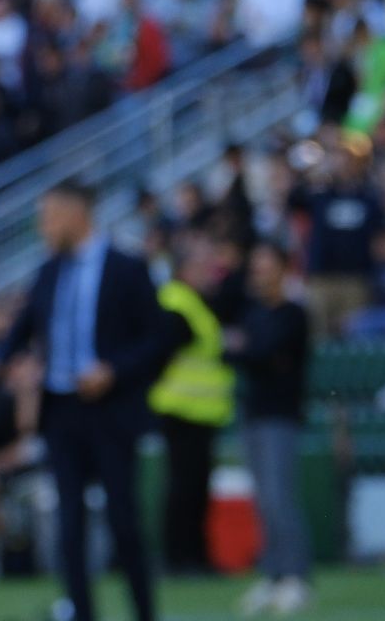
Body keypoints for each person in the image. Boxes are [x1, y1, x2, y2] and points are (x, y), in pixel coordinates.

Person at [0, 181, 168, 621]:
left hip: (110, 411)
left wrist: (113, 371)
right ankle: (81, 611)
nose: (44, 227)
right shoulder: (50, 269)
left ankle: (144, 611)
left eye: (49, 216)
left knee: (123, 520)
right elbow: (24, 327)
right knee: (68, 524)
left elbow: (155, 340)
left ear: (77, 214)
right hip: (61, 410)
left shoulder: (127, 268)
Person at [226, 241, 313, 617]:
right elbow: (239, 353)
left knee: (281, 496)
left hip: (281, 413)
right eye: (256, 264)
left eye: (266, 264)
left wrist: (250, 351)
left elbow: (259, 352)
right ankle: (274, 574)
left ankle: (297, 576)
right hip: (254, 412)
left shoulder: (294, 313)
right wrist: (249, 352)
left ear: (283, 267)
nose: (259, 271)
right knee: (263, 499)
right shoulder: (253, 312)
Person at [149, 233, 235, 576]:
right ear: (184, 269)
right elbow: (161, 352)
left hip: (200, 412)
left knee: (196, 487)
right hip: (181, 409)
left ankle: (196, 556)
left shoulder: (194, 301)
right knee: (184, 488)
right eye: (201, 264)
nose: (209, 271)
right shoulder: (176, 301)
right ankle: (180, 558)